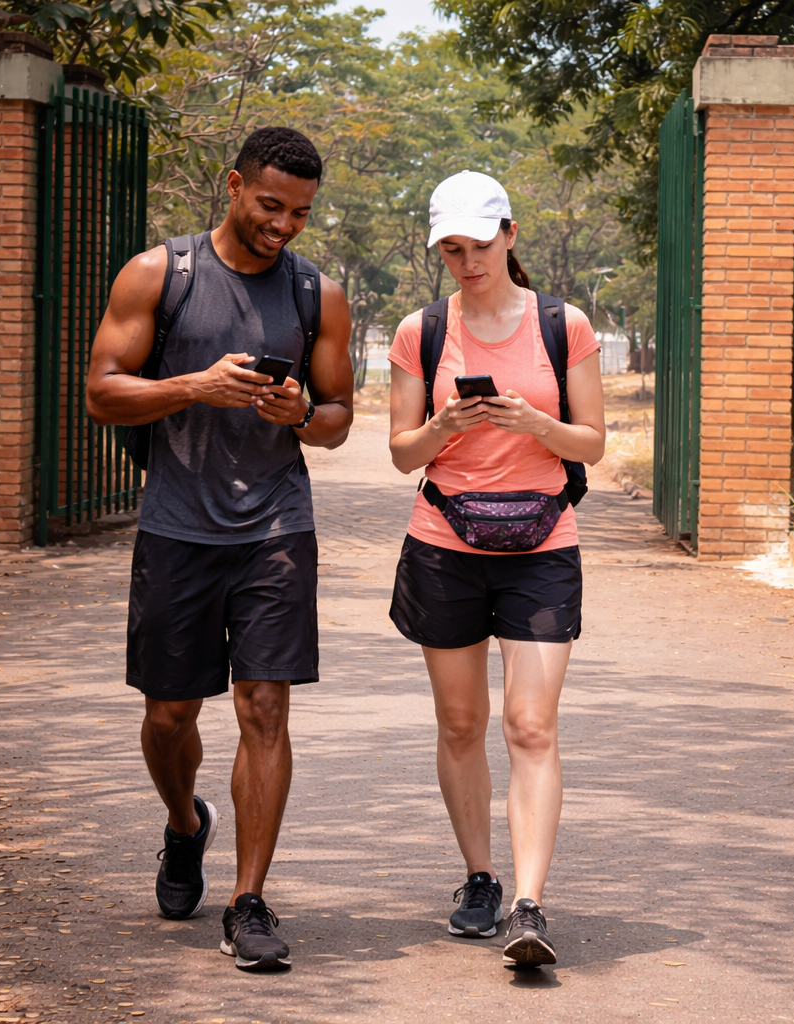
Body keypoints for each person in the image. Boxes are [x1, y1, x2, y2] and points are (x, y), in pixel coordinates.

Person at [85, 127, 354, 973]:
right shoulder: (161, 274)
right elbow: (102, 392)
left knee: (265, 708)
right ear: (233, 185)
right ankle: (183, 824)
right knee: (170, 716)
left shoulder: (318, 293)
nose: (285, 225)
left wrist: (301, 416)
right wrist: (193, 386)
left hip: (276, 527)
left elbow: (340, 414)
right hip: (176, 526)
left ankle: (249, 901)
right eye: (271, 205)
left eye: (301, 213)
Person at [387, 170, 606, 967]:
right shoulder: (420, 332)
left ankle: (527, 902)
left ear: (510, 234)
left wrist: (538, 423)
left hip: (542, 545)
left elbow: (591, 445)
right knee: (460, 723)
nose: (467, 262)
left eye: (479, 245)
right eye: (451, 249)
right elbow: (400, 452)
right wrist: (444, 423)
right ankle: (478, 876)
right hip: (445, 542)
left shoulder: (562, 324)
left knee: (530, 724)